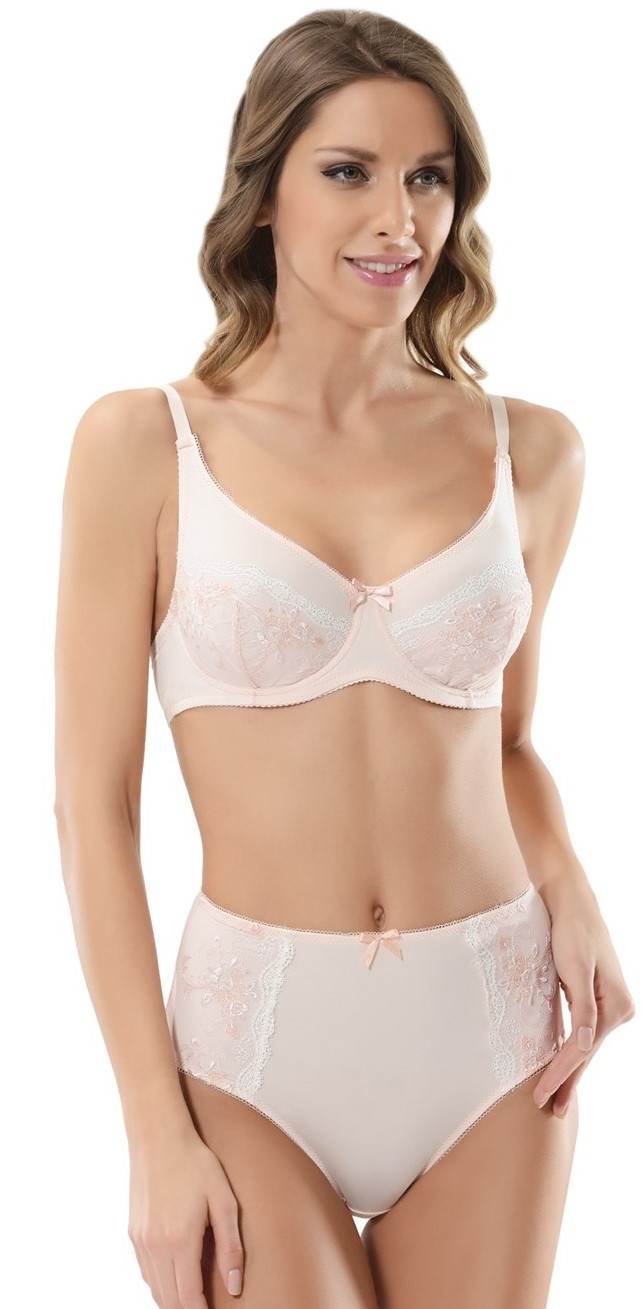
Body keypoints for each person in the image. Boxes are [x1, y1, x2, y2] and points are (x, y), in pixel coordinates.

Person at [53, 10, 636, 1308]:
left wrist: (577, 891)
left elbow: (506, 741)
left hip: (495, 1029)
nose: (398, 219)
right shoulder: (143, 446)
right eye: (348, 171)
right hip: (254, 1048)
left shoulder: (534, 453)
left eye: (429, 176)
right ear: (263, 191)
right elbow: (94, 808)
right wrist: (151, 1127)